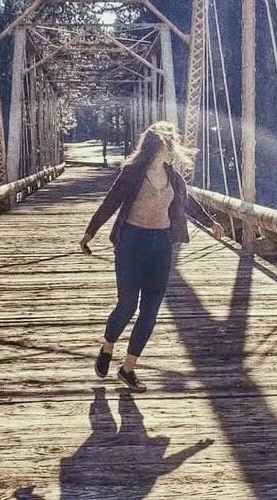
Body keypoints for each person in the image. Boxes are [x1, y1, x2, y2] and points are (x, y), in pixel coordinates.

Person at [80, 121, 223, 392]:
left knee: (150, 312)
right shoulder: (133, 173)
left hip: (161, 245)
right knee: (127, 305)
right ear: (159, 146)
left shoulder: (174, 178)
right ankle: (108, 346)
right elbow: (110, 203)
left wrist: (211, 223)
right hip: (131, 243)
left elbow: (188, 203)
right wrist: (90, 233)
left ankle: (128, 369)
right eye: (171, 145)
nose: (174, 150)